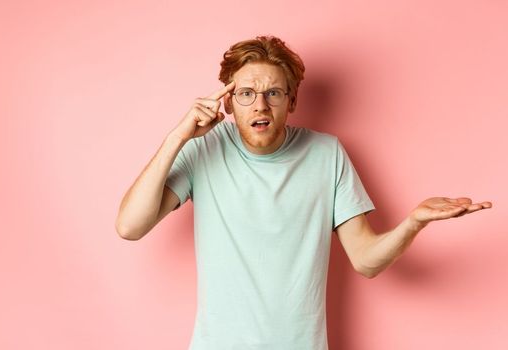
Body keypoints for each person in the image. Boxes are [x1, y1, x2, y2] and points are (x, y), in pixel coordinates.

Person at [114, 35, 493, 349]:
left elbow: (365, 260)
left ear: (292, 101)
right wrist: (177, 137)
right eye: (246, 93)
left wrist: (414, 222)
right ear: (227, 101)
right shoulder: (204, 148)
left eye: (274, 93)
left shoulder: (326, 154)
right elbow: (130, 226)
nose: (260, 105)